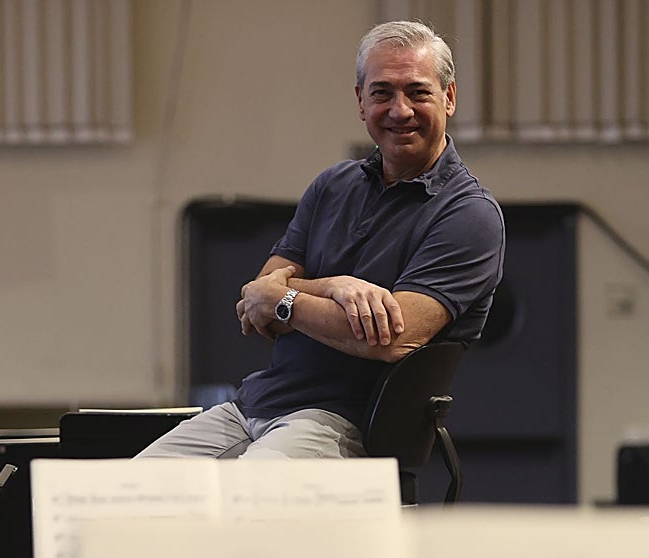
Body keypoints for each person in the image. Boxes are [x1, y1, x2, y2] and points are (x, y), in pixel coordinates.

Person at [138, 19, 505, 460]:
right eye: (382, 92)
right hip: (252, 405)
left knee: (243, 504)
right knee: (128, 494)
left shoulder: (470, 214)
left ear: (449, 98)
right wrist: (333, 286)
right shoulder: (333, 185)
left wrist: (286, 298)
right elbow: (255, 309)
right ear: (360, 100)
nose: (400, 109)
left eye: (418, 92)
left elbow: (389, 339)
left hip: (346, 423)